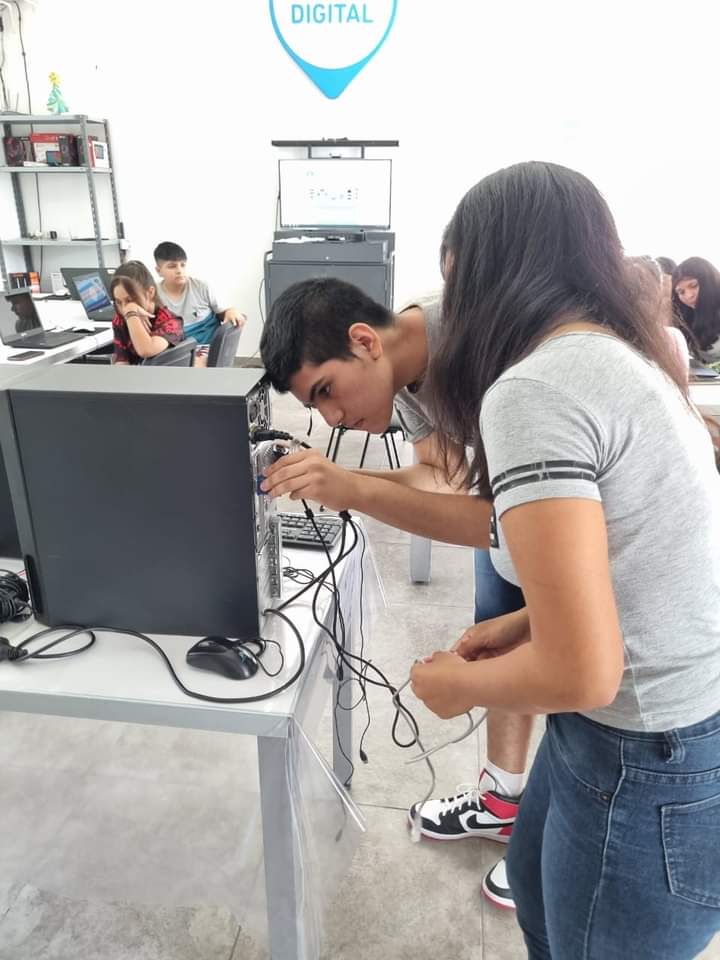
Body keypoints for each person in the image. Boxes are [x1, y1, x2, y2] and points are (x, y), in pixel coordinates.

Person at [406, 162, 720, 959]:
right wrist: (520, 625)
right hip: (650, 732)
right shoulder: (623, 354)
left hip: (647, 750)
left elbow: (584, 671)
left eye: (454, 275)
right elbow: (638, 551)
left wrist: (457, 688)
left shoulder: (534, 390)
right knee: (540, 900)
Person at [259, 278, 531, 908]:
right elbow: (447, 480)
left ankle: (562, 840)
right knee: (502, 641)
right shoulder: (406, 376)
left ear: (363, 341)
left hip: (573, 523)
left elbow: (505, 518)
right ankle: (503, 801)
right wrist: (338, 479)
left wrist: (353, 488)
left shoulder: (485, 335)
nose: (331, 417)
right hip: (512, 513)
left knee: (579, 694)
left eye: (326, 391)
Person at [153, 241, 245, 355]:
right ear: (158, 271)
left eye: (183, 265)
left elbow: (223, 312)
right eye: (172, 266)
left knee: (196, 361)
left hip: (206, 348)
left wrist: (231, 311)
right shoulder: (153, 294)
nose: (179, 271)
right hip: (176, 351)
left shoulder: (201, 286)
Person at [110, 260, 183, 365]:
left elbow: (145, 350)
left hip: (161, 375)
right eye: (119, 302)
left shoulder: (171, 322)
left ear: (150, 292)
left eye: (130, 300)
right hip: (134, 375)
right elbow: (122, 361)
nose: (124, 308)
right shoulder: (120, 320)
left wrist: (131, 311)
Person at [672, 256, 720, 362]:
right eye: (681, 292)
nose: (689, 295)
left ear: (710, 281)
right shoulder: (686, 317)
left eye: (693, 285)